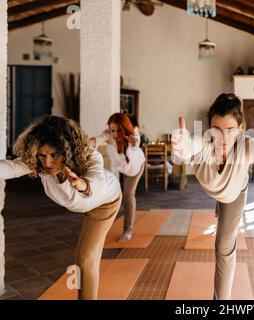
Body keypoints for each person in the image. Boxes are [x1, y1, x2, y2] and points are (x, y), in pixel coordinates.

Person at [171, 93, 254, 300]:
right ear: (208, 129)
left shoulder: (245, 144)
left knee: (224, 246)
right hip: (217, 188)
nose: (222, 138)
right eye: (216, 130)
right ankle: (220, 205)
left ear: (241, 129)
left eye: (230, 130)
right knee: (221, 198)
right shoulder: (204, 143)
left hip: (235, 193)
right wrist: (182, 147)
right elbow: (192, 144)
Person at [0, 115, 122, 300]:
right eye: (42, 155)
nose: (47, 163)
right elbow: (10, 167)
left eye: (54, 155)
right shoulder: (38, 163)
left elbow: (97, 178)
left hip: (105, 202)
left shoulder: (89, 155)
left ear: (67, 150)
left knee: (85, 261)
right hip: (84, 204)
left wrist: (83, 184)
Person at [89, 113, 145, 242]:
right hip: (124, 168)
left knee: (128, 195)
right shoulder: (109, 135)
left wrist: (133, 143)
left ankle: (127, 231)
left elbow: (135, 143)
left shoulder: (132, 135)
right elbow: (99, 139)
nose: (114, 134)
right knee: (120, 192)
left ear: (124, 128)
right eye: (112, 130)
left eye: (118, 130)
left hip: (136, 166)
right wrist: (86, 143)